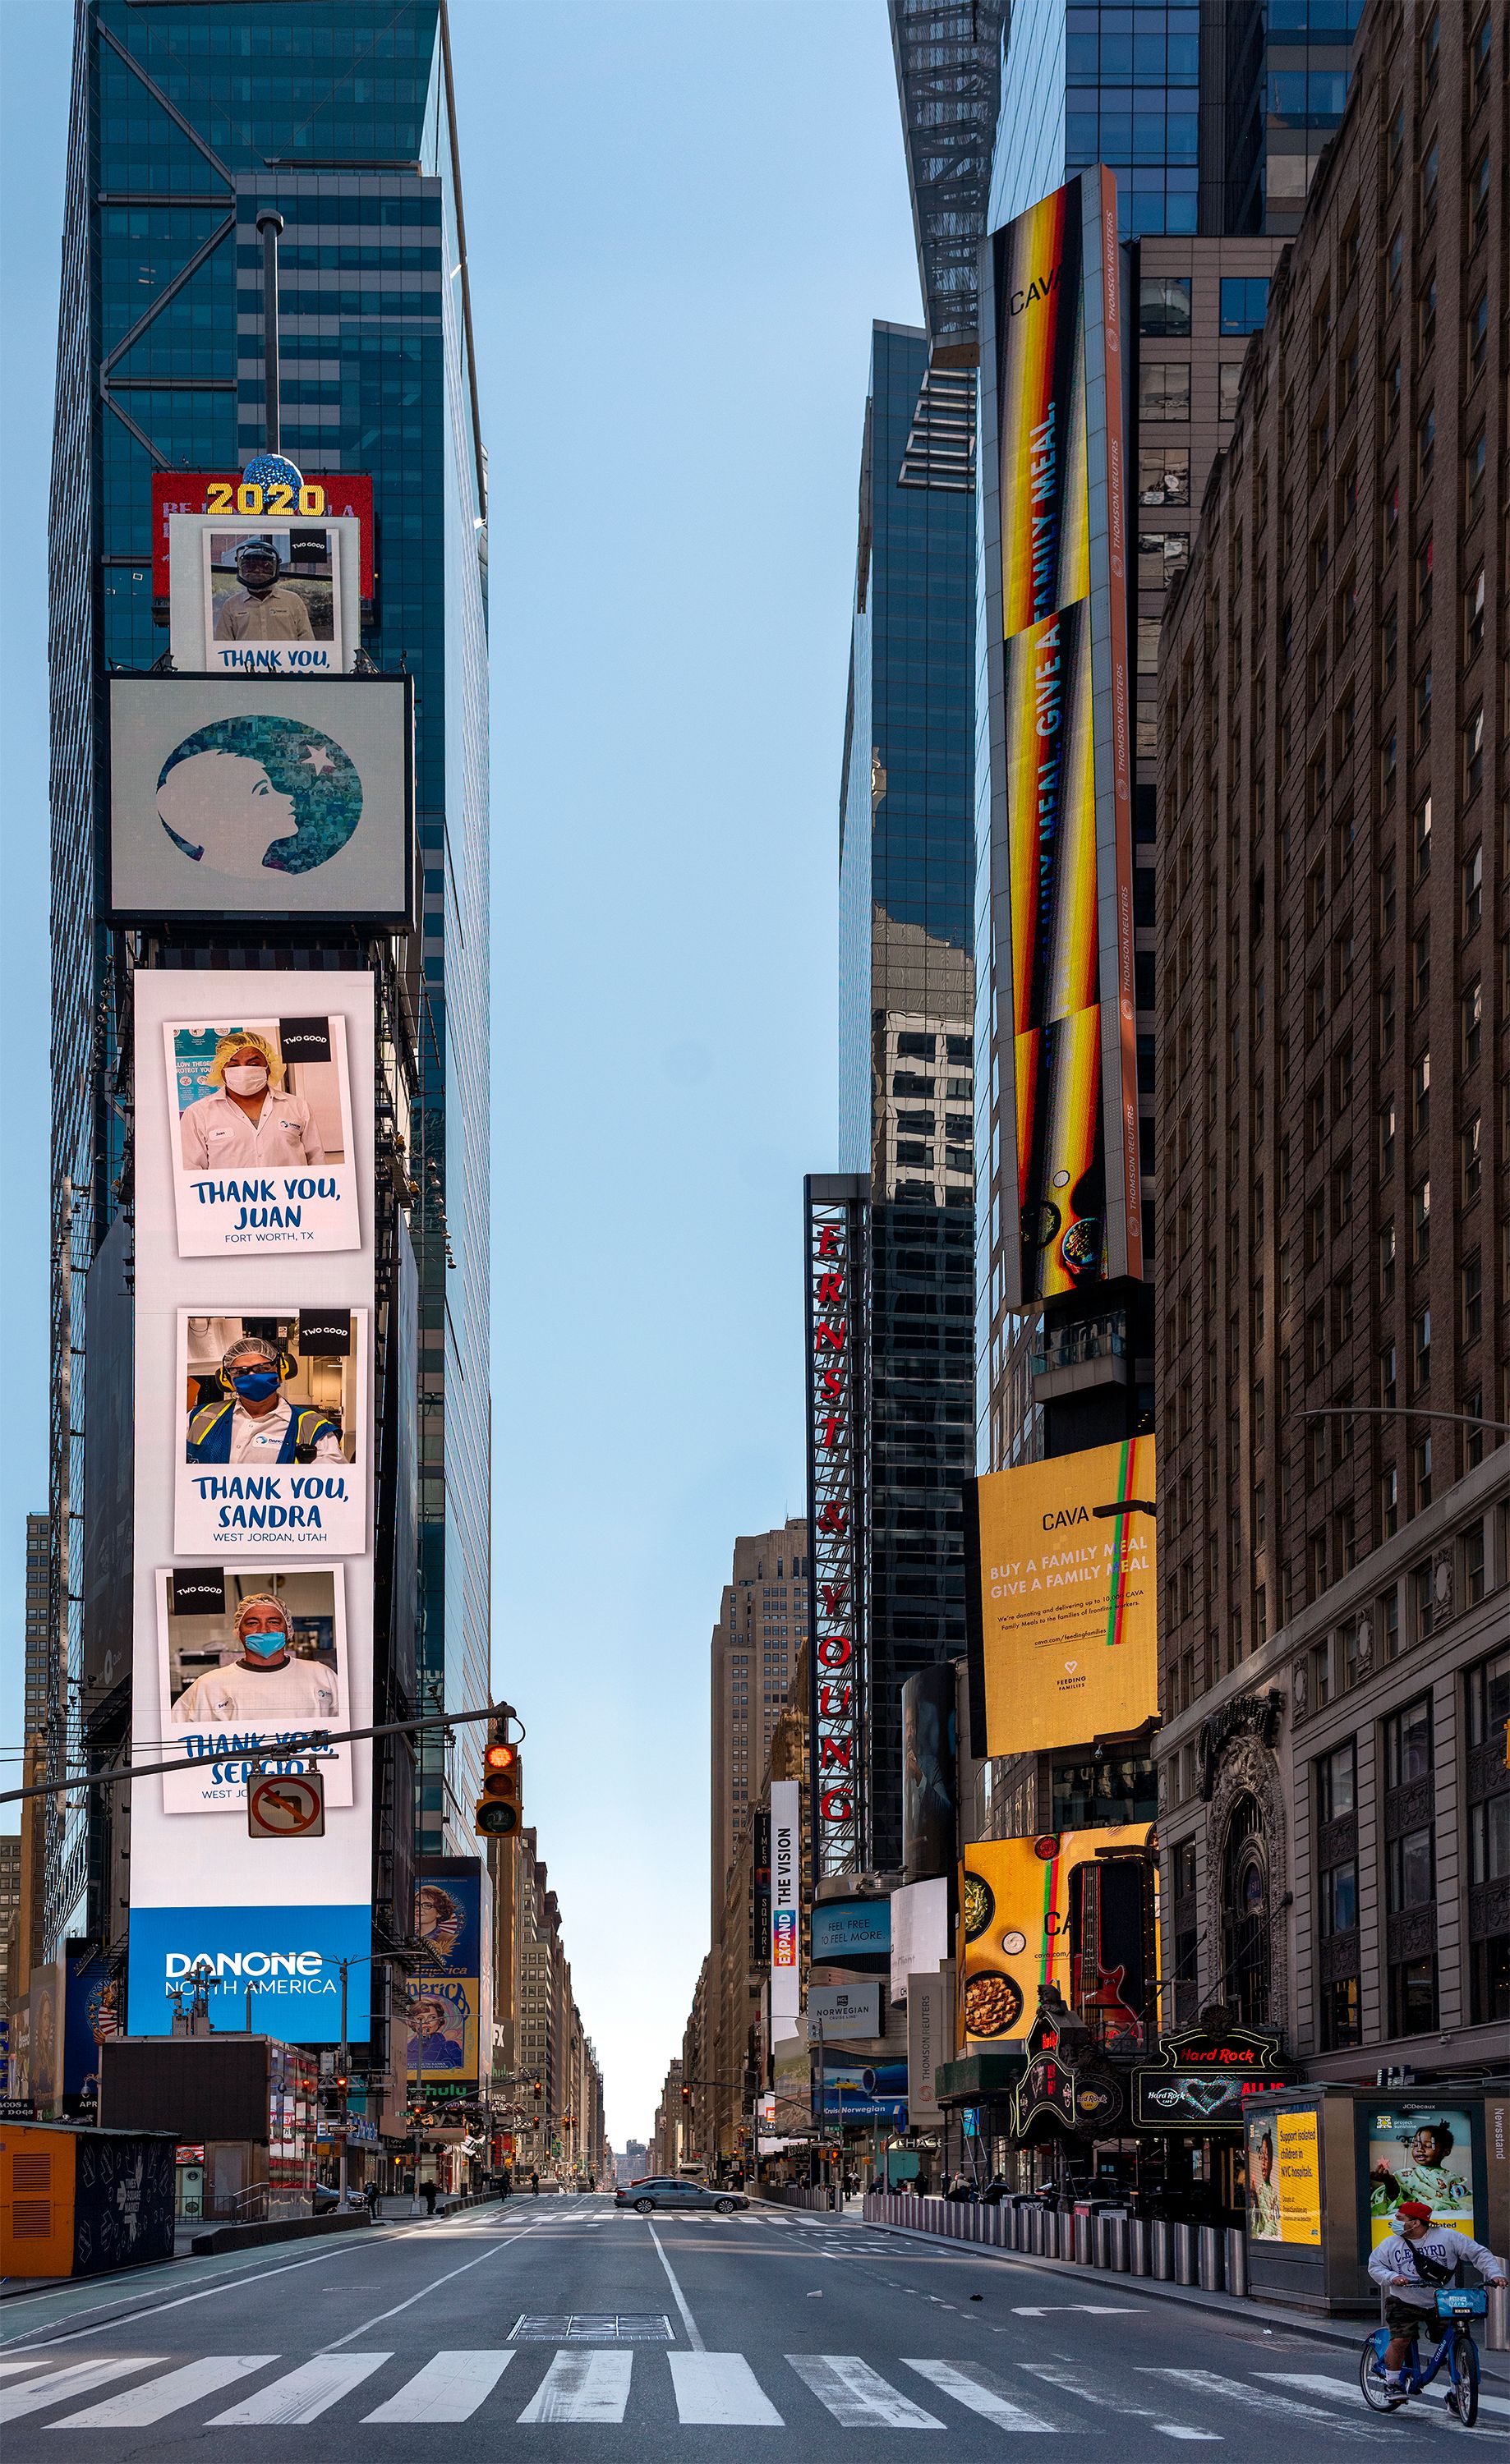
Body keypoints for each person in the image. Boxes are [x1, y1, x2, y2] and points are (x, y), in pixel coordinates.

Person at [1368, 2199, 1506, 2406]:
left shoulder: (1447, 2237)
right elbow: (1375, 2266)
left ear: (1415, 2223)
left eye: (1399, 2218)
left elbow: (1479, 2253)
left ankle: (1455, 2392)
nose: (1394, 2222)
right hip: (1404, 2301)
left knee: (1452, 2343)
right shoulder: (1390, 2243)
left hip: (1441, 2301)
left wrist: (1495, 2274)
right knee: (1400, 2340)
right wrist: (1391, 2278)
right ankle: (1393, 2382)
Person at [172, 1593, 339, 1726]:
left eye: (273, 1622)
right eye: (252, 1623)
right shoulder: (209, 1685)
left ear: (288, 1630)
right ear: (239, 1632)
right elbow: (174, 1738)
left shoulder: (322, 1675)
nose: (264, 1630)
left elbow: (352, 1729)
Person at [186, 1333, 345, 1466]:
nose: (252, 1376)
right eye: (240, 1372)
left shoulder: (314, 1429)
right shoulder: (197, 1418)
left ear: (281, 1370)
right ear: (227, 1378)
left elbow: (332, 1488)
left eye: (262, 1368)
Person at [179, 1032, 326, 1173]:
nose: (243, 1071)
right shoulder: (198, 1114)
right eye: (233, 1066)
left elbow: (317, 1162)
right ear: (221, 1070)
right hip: (230, 1198)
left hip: (290, 1197)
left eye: (254, 1064)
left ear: (269, 1067)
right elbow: (192, 1172)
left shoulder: (298, 1107)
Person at [214, 536, 315, 641]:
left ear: (275, 568)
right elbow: (223, 644)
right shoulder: (231, 605)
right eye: (251, 567)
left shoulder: (293, 601)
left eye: (265, 567)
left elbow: (307, 641)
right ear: (241, 568)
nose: (258, 571)